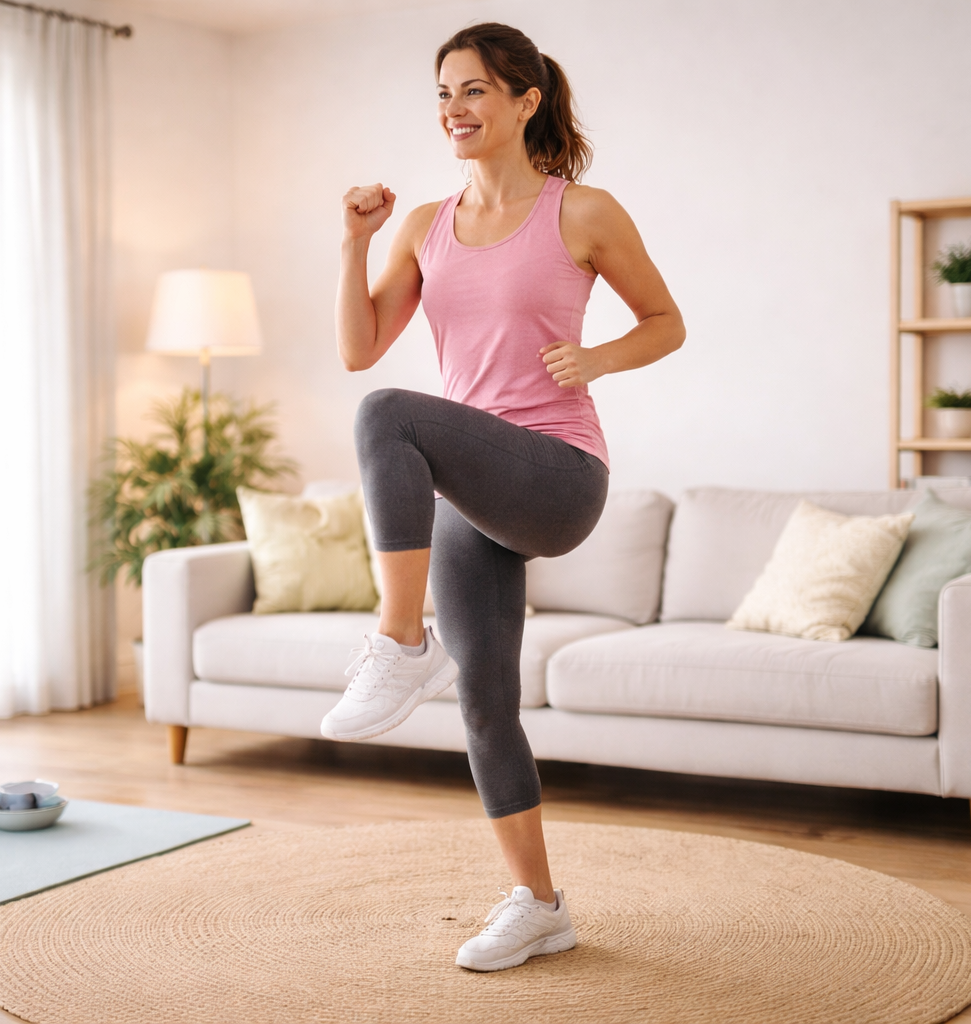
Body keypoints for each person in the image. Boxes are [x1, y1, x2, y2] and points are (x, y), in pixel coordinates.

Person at [324, 22, 685, 971]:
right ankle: (539, 903)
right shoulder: (424, 225)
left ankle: (401, 642)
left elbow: (666, 321)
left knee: (387, 416)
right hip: (469, 488)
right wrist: (353, 243)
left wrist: (597, 356)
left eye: (476, 90)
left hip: (558, 474)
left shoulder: (583, 211)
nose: (455, 110)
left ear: (526, 101)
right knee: (486, 702)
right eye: (445, 93)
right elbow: (360, 344)